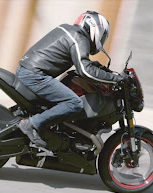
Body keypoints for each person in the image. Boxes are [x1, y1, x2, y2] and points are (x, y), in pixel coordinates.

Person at [17, 11, 127, 148]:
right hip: (35, 75)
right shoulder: (80, 38)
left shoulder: (68, 30)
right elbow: (85, 70)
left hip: (28, 70)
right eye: (103, 34)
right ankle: (32, 124)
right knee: (74, 102)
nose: (102, 39)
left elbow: (81, 62)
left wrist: (98, 67)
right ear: (95, 28)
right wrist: (115, 79)